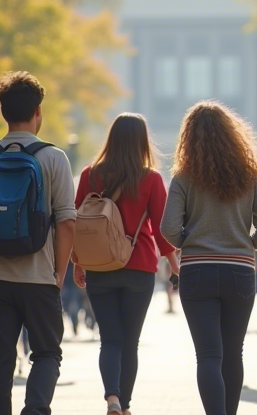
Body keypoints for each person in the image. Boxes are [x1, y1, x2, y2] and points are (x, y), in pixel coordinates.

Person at [0, 72, 77, 415]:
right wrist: (58, 274)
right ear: (38, 111)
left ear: (2, 111)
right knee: (47, 353)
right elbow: (67, 222)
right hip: (39, 278)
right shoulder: (54, 158)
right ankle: (35, 410)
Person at [160, 101, 257, 415]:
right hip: (239, 271)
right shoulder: (250, 176)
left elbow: (168, 227)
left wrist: (190, 243)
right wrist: (247, 245)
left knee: (208, 356)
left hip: (197, 271)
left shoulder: (183, 178)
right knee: (233, 354)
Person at [73, 113, 180, 415]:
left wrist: (77, 262)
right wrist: (174, 264)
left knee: (109, 339)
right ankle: (126, 405)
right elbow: (161, 228)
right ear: (142, 141)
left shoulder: (90, 174)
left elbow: (78, 222)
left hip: (99, 265)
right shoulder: (151, 178)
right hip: (139, 266)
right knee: (130, 342)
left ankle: (112, 399)